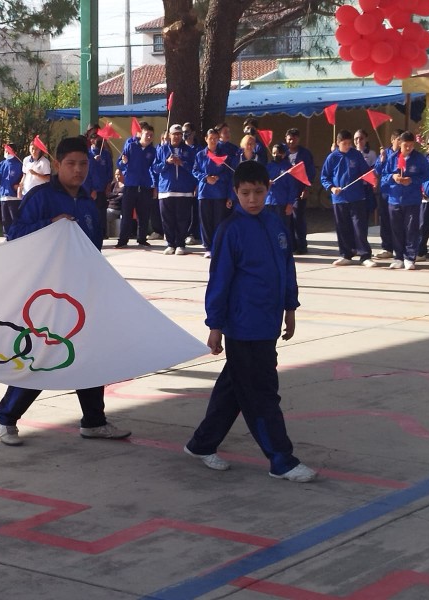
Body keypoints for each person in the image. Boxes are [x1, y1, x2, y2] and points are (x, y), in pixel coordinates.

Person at [0, 136, 131, 446]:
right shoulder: (41, 197)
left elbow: (93, 248)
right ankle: (5, 417)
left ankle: (94, 421)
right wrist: (49, 224)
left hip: (81, 291)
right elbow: (14, 236)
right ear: (57, 165)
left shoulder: (89, 203)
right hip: (46, 293)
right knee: (47, 355)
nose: (78, 170)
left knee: (89, 355)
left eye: (83, 164)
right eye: (71, 164)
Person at [184, 160, 316, 483]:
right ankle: (281, 459)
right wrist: (215, 325)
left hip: (268, 323)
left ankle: (202, 443)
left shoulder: (276, 226)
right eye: (246, 193)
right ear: (235, 193)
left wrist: (290, 307)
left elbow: (287, 269)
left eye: (259, 192)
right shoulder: (230, 231)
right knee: (261, 392)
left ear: (268, 189)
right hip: (242, 326)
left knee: (235, 386)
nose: (253, 199)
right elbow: (220, 281)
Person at [320, 129, 377, 268]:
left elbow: (366, 172)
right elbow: (324, 177)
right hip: (339, 199)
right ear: (338, 143)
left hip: (357, 197)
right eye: (344, 143)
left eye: (349, 143)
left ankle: (365, 255)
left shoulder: (356, 155)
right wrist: (332, 188)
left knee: (359, 227)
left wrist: (373, 176)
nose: (347, 146)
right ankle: (346, 254)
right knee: (342, 227)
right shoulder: (332, 157)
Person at [379, 131, 429, 270]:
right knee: (396, 230)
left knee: (411, 229)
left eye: (411, 145)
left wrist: (412, 180)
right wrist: (393, 177)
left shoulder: (419, 158)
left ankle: (409, 257)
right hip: (394, 199)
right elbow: (383, 175)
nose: (408, 148)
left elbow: (427, 175)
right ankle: (398, 257)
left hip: (412, 200)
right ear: (399, 144)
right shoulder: (392, 158)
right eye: (405, 145)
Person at [153, 124, 198, 255]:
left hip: (184, 190)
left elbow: (194, 169)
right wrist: (167, 162)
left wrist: (182, 163)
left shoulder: (189, 151)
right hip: (166, 189)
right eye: (174, 134)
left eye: (179, 134)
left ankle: (180, 244)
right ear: (169, 135)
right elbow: (155, 168)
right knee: (167, 219)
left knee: (183, 219)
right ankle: (170, 244)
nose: (177, 137)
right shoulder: (161, 149)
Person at [193, 128, 237, 258]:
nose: (213, 141)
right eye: (210, 138)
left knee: (219, 221)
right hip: (205, 192)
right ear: (206, 139)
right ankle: (208, 247)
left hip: (220, 193)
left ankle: (218, 246)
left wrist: (219, 179)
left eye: (215, 138)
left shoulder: (224, 155)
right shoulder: (200, 155)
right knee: (205, 221)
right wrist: (206, 178)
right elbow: (195, 171)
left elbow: (229, 174)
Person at [116, 121, 156, 248]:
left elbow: (154, 169)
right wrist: (123, 162)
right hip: (130, 185)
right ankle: (123, 239)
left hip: (145, 186)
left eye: (151, 135)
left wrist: (154, 186)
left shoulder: (153, 151)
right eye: (147, 134)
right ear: (141, 134)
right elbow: (119, 163)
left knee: (143, 215)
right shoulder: (131, 146)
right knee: (126, 214)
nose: (149, 137)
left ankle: (142, 238)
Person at [284, 128, 316, 255]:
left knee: (298, 219)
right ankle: (291, 245)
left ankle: (301, 245)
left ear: (298, 139)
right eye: (289, 138)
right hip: (286, 192)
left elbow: (310, 172)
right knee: (288, 219)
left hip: (299, 191)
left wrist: (306, 188)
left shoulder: (305, 154)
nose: (291, 141)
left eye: (294, 138)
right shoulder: (283, 153)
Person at [373, 129, 404, 260]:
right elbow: (376, 171)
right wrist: (382, 160)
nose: (401, 142)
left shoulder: (405, 154)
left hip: (400, 193)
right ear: (392, 140)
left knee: (399, 222)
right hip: (386, 191)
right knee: (385, 220)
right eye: (399, 140)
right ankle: (387, 247)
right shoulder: (385, 153)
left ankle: (400, 248)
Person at [85, 127, 114, 237]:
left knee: (102, 211)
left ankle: (102, 232)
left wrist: (108, 185)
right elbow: (87, 173)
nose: (96, 140)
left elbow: (109, 170)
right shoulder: (88, 154)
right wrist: (91, 188)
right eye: (94, 137)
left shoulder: (105, 154)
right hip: (91, 189)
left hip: (102, 188)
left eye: (98, 137)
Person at [265, 143, 296, 226]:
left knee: (282, 227)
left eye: (278, 153)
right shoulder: (268, 167)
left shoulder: (289, 168)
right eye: (274, 153)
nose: (275, 155)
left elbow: (292, 187)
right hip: (268, 201)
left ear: (283, 154)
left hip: (282, 202)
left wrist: (290, 203)